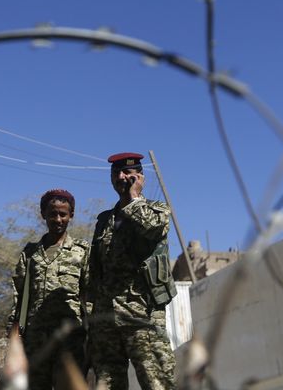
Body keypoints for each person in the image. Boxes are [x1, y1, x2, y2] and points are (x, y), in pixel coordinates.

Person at [87, 153, 177, 390]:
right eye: (116, 173)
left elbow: (152, 228)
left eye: (128, 173)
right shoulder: (104, 220)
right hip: (106, 318)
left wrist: (133, 198)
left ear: (140, 177)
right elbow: (96, 269)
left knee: (157, 382)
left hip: (142, 314)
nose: (121, 177)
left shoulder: (156, 210)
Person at [8, 189, 90, 390]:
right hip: (36, 339)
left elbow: (90, 294)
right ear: (43, 214)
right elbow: (17, 293)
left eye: (63, 214)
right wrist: (13, 332)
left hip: (71, 338)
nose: (58, 219)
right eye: (53, 213)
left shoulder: (82, 251)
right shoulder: (30, 253)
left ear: (71, 215)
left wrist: (92, 333)